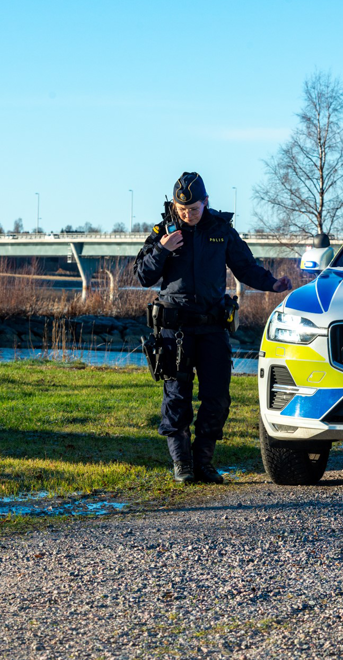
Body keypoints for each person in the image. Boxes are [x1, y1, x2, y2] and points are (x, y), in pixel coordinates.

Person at [135, 172, 292, 484]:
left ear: (205, 203)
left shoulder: (221, 230)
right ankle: (183, 466)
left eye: (193, 209)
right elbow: (143, 276)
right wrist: (163, 249)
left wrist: (272, 284)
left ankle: (204, 462)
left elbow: (245, 267)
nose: (188, 215)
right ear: (174, 207)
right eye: (182, 210)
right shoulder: (163, 232)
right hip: (174, 330)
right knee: (177, 398)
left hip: (212, 327)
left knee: (217, 398)